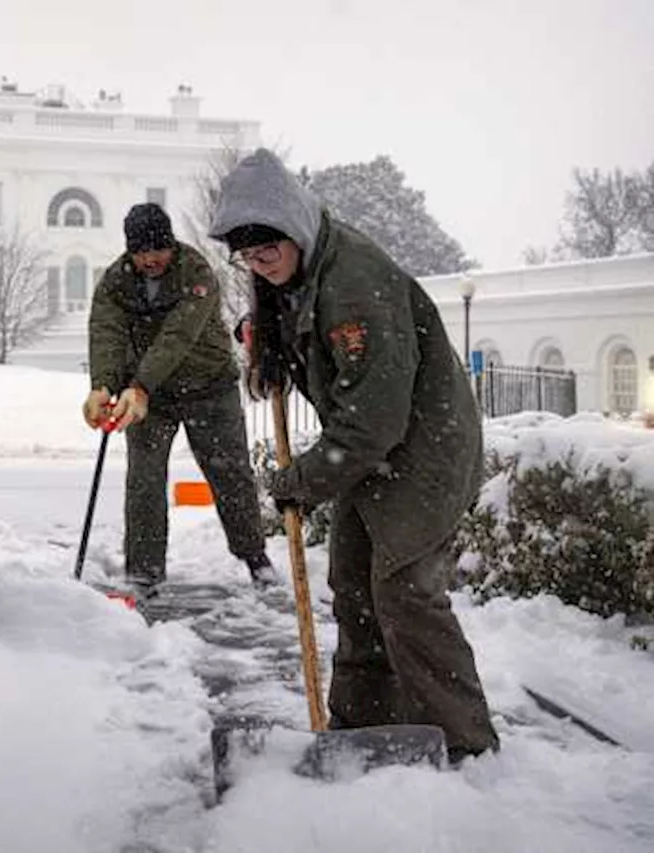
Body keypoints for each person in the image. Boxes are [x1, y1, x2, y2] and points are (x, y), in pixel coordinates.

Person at [207, 148, 500, 763]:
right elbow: (299, 329)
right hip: (371, 454)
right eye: (247, 258)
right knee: (354, 589)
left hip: (421, 454)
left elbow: (375, 421)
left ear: (294, 231)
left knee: (404, 594)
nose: (259, 268)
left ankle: (468, 748)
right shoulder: (303, 267)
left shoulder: (355, 288)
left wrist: (301, 481)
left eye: (267, 253)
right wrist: (259, 338)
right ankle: (362, 731)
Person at [82, 202, 279, 598]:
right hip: (150, 397)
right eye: (141, 252)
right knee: (144, 479)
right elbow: (106, 331)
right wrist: (103, 385)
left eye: (158, 250)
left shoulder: (196, 272)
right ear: (130, 251)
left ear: (171, 245)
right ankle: (144, 571)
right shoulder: (116, 281)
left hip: (208, 387)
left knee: (230, 473)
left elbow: (178, 336)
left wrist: (139, 386)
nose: (151, 259)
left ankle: (255, 557)